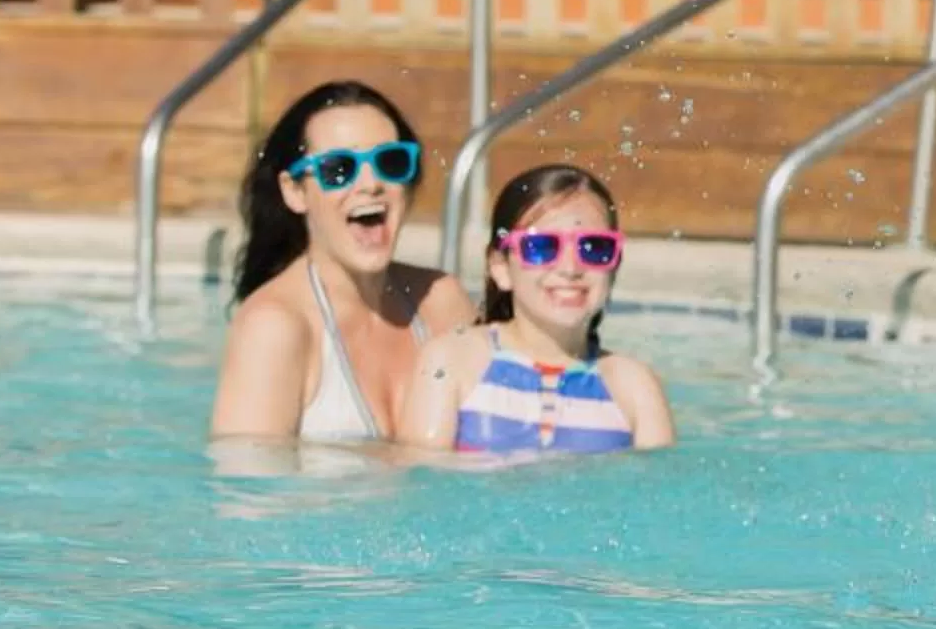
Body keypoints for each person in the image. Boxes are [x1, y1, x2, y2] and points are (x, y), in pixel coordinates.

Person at [209, 81, 476, 445]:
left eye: (390, 161)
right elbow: (249, 496)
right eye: (338, 169)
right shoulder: (274, 328)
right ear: (294, 191)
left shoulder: (442, 303)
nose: (371, 183)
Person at [397, 164, 675, 459]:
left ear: (614, 266)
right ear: (500, 268)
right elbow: (419, 480)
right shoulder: (451, 362)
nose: (570, 268)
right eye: (541, 246)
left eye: (594, 247)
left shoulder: (634, 387)